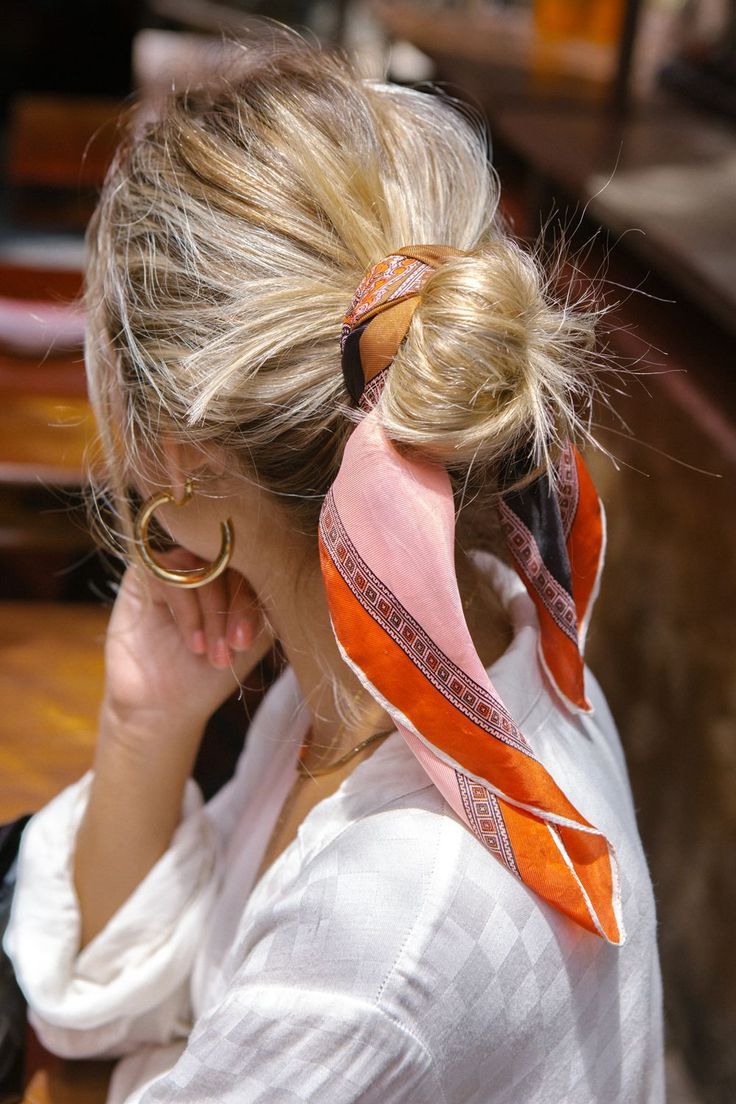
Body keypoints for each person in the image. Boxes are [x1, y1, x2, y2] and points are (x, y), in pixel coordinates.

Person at [4, 29, 664, 1104]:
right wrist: (142, 725)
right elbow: (121, 1007)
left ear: (176, 455)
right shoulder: (436, 653)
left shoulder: (379, 936)